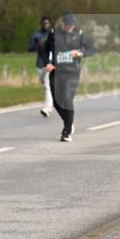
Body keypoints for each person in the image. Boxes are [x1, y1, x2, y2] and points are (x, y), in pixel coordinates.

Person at [43, 12, 96, 142]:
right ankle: (69, 122)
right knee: (56, 101)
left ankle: (66, 132)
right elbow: (45, 50)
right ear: (62, 24)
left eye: (72, 26)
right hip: (56, 70)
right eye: (67, 26)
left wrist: (79, 53)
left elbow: (91, 49)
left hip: (72, 72)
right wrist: (47, 63)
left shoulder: (79, 33)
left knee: (67, 99)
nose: (70, 28)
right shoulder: (53, 33)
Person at [27, 16, 54, 117]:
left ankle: (47, 108)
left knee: (47, 85)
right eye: (44, 23)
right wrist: (37, 45)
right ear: (41, 24)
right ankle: (51, 101)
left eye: (47, 23)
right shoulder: (36, 35)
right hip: (40, 64)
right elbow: (29, 48)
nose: (46, 25)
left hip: (50, 63)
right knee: (45, 85)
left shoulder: (53, 35)